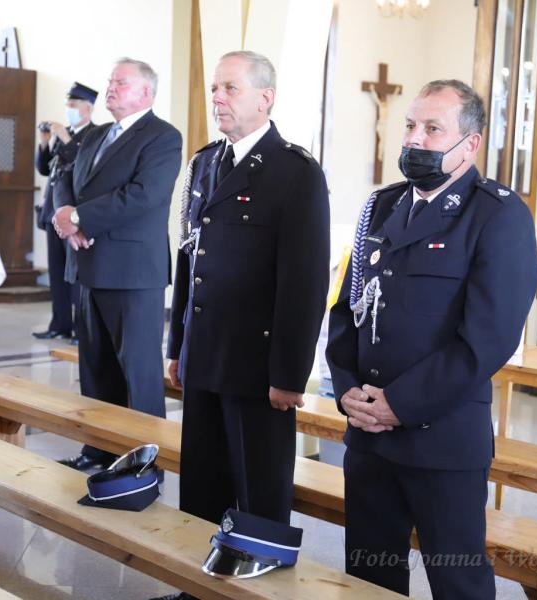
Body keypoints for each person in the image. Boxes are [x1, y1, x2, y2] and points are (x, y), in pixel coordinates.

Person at [325, 80, 537, 598]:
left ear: (470, 144)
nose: (414, 139)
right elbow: (348, 309)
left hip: (441, 439)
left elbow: (488, 340)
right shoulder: (381, 206)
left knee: (457, 581)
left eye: (433, 129)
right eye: (410, 125)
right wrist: (347, 388)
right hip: (370, 435)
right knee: (369, 579)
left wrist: (398, 404)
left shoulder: (497, 215)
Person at [163, 50, 329, 600]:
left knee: (259, 497)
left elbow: (304, 284)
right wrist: (177, 345)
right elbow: (189, 261)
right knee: (201, 490)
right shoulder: (206, 163)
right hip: (205, 356)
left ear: (266, 97)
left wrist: (289, 374)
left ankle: (261, 593)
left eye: (230, 88)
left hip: (257, 368)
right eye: (215, 88)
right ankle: (198, 590)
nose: (218, 98)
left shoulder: (295, 172)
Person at [53, 58, 182, 471]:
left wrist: (79, 218)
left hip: (132, 273)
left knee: (138, 375)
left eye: (120, 83)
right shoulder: (95, 135)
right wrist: (65, 217)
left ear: (146, 92)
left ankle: (143, 464)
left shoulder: (162, 137)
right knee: (95, 369)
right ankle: (98, 451)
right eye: (110, 81)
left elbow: (143, 195)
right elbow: (64, 179)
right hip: (87, 265)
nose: (110, 88)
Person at [32, 82, 97, 342]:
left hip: (73, 215)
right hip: (53, 212)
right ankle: (59, 324)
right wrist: (44, 143)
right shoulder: (63, 134)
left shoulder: (94, 135)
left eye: (73, 104)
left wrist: (67, 140)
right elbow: (45, 169)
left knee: (75, 273)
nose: (68, 109)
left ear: (88, 108)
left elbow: (85, 165)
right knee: (57, 271)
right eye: (67, 104)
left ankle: (81, 329)